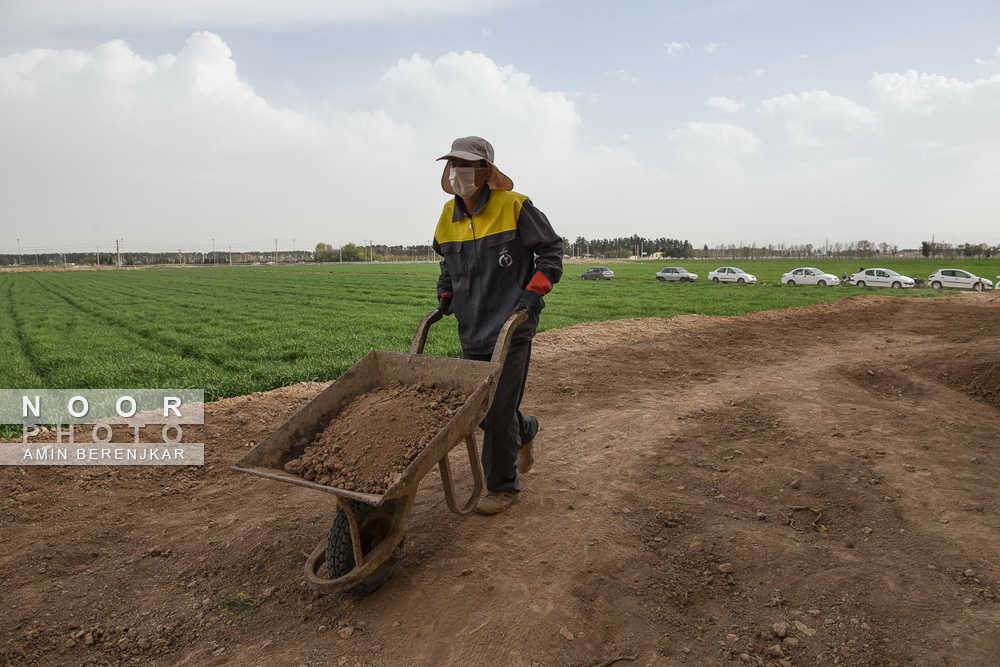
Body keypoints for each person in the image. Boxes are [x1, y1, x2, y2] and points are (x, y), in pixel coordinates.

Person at [432, 136, 563, 515]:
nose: (459, 172)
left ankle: (503, 486)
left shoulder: (515, 206)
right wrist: (445, 296)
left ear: (486, 171)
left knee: (499, 408)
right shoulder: (446, 215)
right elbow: (447, 264)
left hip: (512, 324)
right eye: (454, 163)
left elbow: (551, 251)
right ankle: (525, 431)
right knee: (483, 412)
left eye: (467, 164)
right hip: (472, 328)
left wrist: (533, 294)